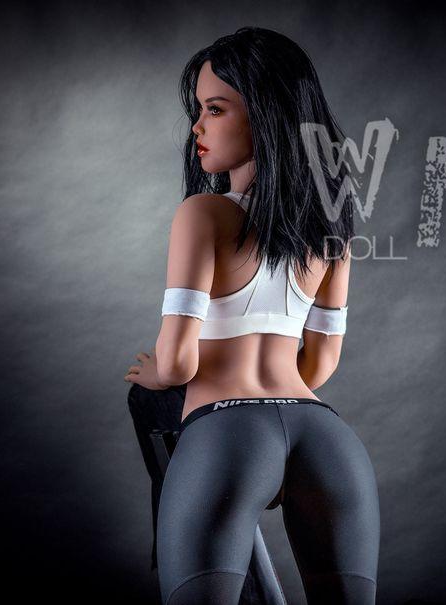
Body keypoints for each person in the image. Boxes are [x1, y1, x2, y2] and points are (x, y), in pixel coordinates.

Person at [124, 27, 380, 605]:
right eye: (198, 110)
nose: (197, 127)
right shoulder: (332, 230)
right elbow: (320, 365)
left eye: (215, 109)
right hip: (325, 437)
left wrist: (157, 373)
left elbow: (178, 361)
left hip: (227, 436)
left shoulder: (203, 214)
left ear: (265, 116)